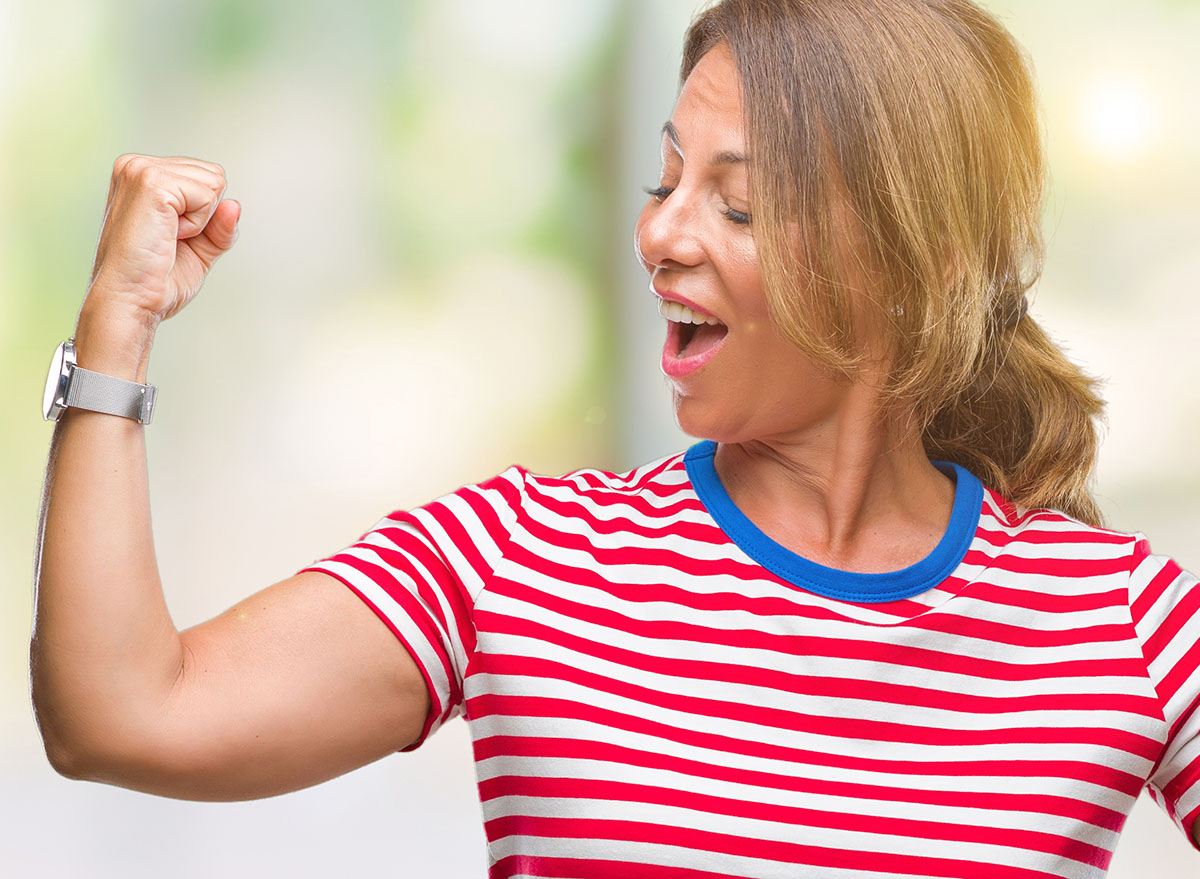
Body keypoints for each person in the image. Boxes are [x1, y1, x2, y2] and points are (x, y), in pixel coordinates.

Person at [30, 0, 1200, 876]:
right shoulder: (520, 555)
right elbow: (126, 715)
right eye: (665, 179)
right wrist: (116, 330)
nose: (662, 235)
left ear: (917, 267)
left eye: (737, 204)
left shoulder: (1126, 624)